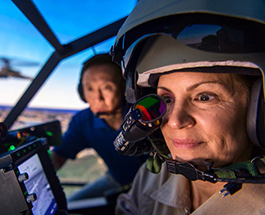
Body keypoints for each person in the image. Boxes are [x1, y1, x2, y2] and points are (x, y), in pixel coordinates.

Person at [110, 0, 265, 214]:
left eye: (204, 97)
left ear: (258, 109)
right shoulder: (153, 176)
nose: (175, 121)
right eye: (167, 99)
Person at [51, 54, 146, 201]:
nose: (98, 98)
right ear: (82, 93)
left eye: (107, 87)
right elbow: (58, 156)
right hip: (117, 181)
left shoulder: (142, 112)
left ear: (123, 88)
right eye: (90, 89)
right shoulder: (82, 122)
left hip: (157, 181)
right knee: (72, 205)